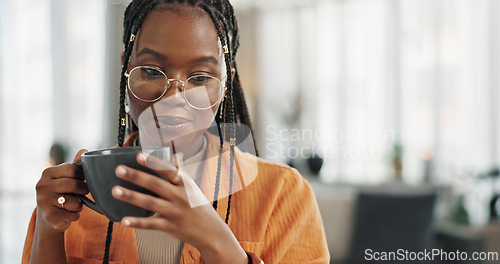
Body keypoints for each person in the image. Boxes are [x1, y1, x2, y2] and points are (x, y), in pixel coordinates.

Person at [22, 0, 330, 263]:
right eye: (152, 71)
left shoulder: (284, 194)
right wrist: (49, 233)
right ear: (125, 71)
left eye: (200, 77)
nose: (173, 98)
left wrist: (217, 241)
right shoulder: (76, 196)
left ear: (224, 85)